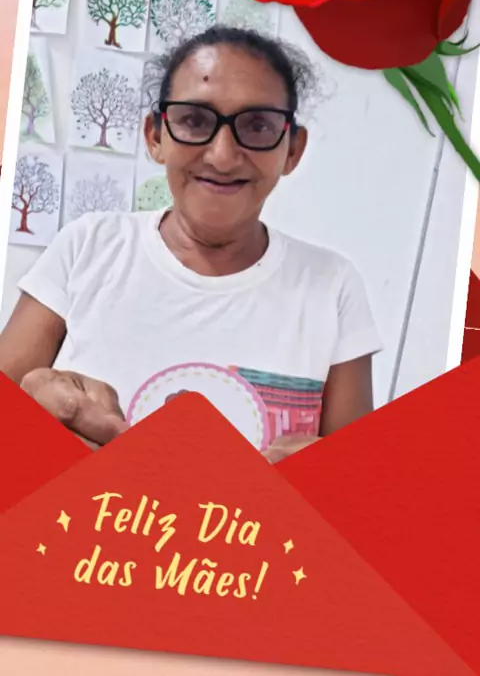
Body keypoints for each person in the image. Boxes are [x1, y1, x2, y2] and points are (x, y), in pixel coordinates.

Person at [0, 26, 382, 462]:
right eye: (195, 121)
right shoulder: (88, 246)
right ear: (155, 136)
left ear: (292, 150)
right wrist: (33, 419)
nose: (222, 155)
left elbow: (356, 477)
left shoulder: (332, 286)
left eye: (258, 125)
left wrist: (324, 479)